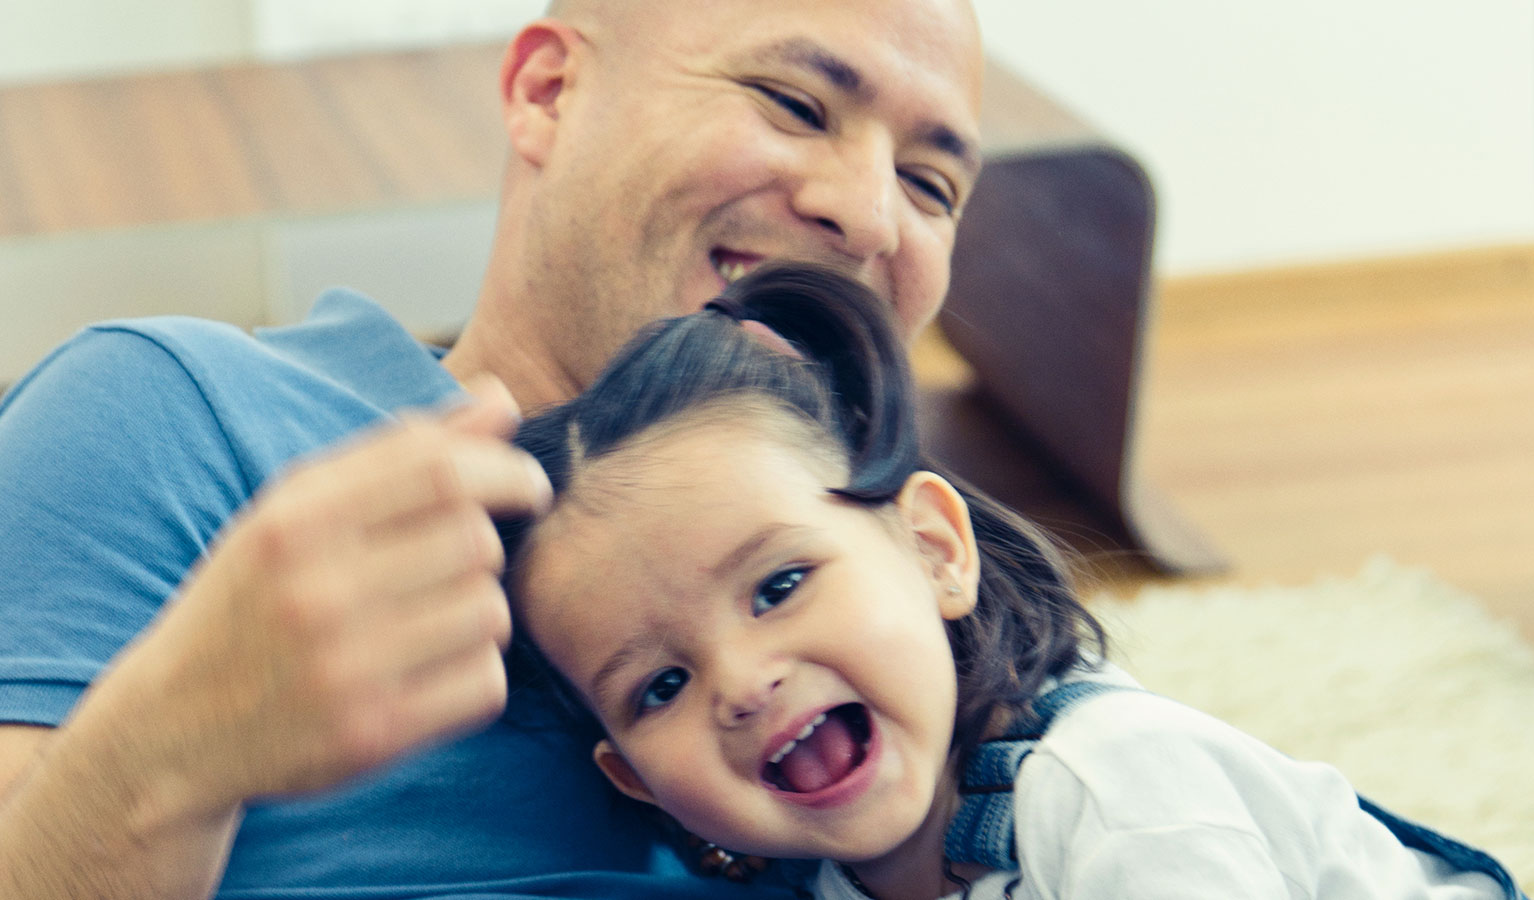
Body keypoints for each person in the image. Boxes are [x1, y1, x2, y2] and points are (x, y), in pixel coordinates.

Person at [0, 0, 983, 896]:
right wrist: (173, 745)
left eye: (928, 184)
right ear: (548, 94)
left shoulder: (895, 567)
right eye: (794, 104)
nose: (868, 213)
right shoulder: (175, 413)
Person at [501, 263, 1530, 900]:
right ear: (635, 778)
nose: (740, 680)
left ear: (934, 551)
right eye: (661, 688)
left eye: (777, 588)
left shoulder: (1116, 790)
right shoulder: (820, 875)